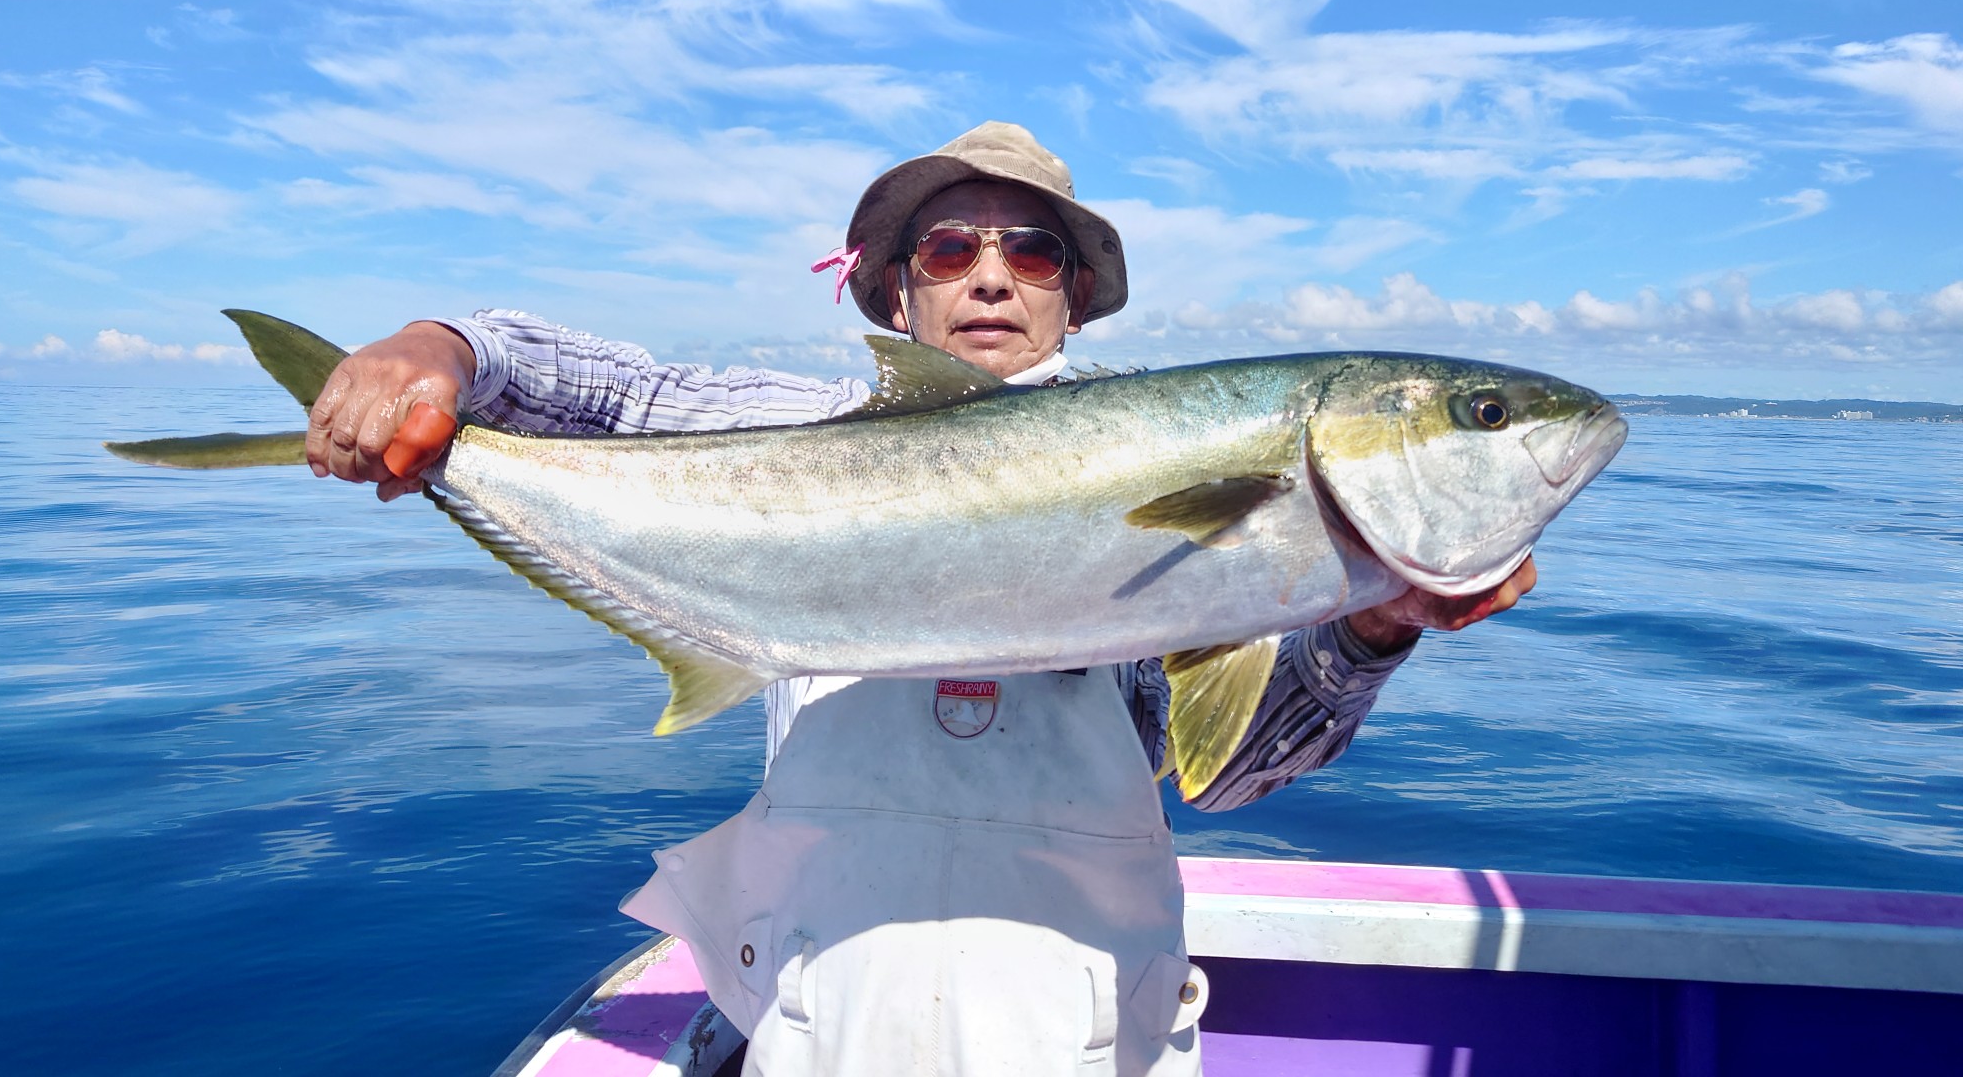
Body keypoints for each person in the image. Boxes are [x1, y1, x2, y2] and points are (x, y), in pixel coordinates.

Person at [308, 122, 1536, 1076]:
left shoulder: (1188, 456)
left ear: (1072, 295)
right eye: (951, 249)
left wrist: (1372, 629)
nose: (991, 276)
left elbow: (1234, 770)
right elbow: (604, 391)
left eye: (1032, 251)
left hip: (1091, 1025)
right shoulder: (786, 427)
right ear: (897, 292)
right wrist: (440, 352)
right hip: (823, 1007)